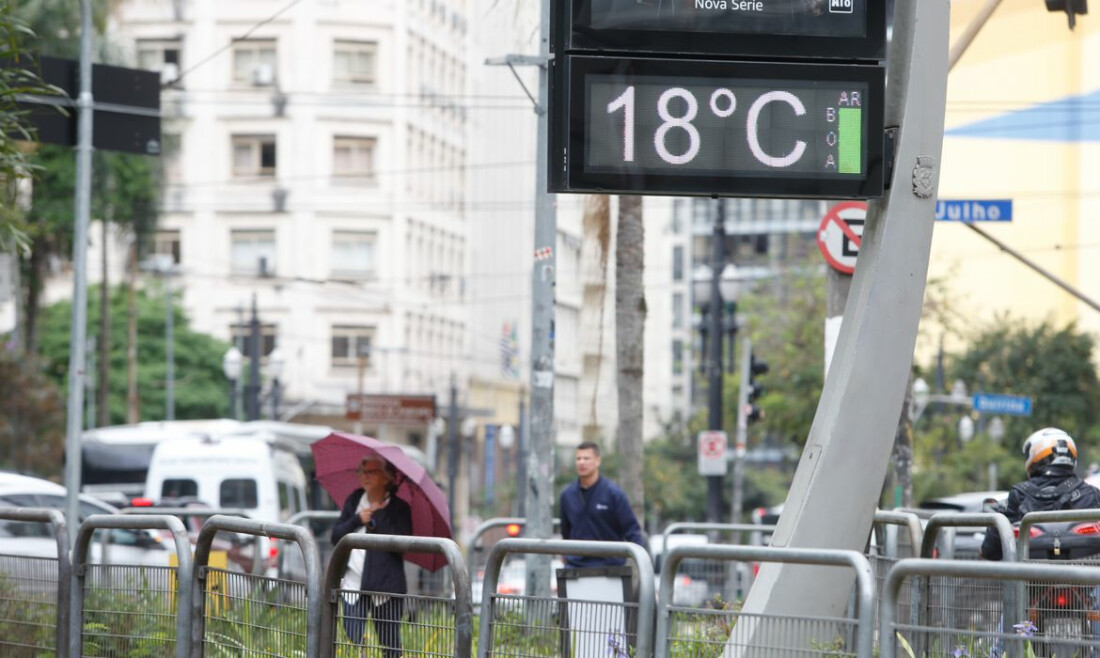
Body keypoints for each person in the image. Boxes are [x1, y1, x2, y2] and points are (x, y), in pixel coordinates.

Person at [331, 455, 412, 657]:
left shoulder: (399, 508)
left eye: (372, 472)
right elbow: (336, 536)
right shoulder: (354, 499)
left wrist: (378, 514)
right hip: (353, 582)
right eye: (362, 471)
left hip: (385, 585)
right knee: (353, 640)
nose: (365, 476)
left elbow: (402, 543)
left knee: (390, 645)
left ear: (386, 478)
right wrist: (358, 519)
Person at [980, 427, 1100, 561]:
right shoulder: (1091, 493)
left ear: (1035, 456)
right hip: (1086, 579)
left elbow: (990, 551)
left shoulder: (1019, 494)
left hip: (1030, 579)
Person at [559, 441, 646, 568]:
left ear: (598, 461)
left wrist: (642, 562)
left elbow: (632, 530)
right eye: (578, 458)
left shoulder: (614, 494)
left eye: (586, 458)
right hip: (576, 566)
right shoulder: (567, 495)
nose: (581, 462)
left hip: (610, 567)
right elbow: (566, 531)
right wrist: (566, 555)